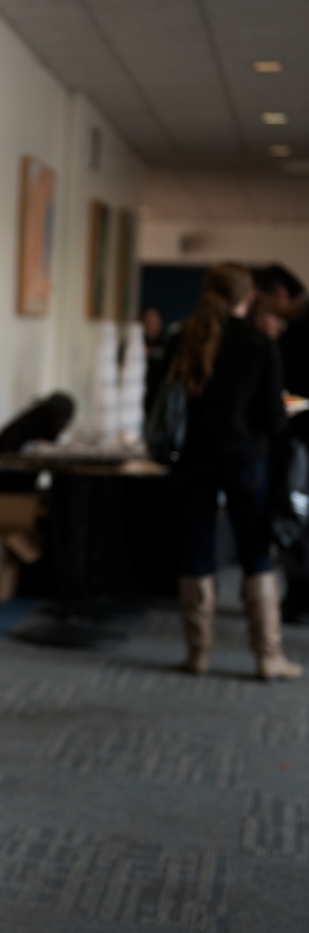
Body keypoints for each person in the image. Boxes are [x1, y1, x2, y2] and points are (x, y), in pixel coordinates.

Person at [172, 262, 301, 679]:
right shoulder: (260, 346)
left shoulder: (188, 340)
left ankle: (198, 654)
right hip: (247, 460)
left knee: (196, 550)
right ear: (249, 297)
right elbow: (274, 421)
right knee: (255, 550)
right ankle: (267, 657)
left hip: (195, 459)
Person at [256, 264, 309, 621]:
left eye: (264, 301)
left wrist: (286, 406)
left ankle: (302, 598)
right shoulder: (298, 326)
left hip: (304, 438)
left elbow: (303, 393)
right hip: (298, 436)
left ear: (280, 292)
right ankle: (298, 596)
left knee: (299, 515)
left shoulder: (305, 329)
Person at [0, 392, 75, 492]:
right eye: (64, 423)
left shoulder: (32, 422)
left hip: (2, 481)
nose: (63, 428)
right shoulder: (33, 428)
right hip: (0, 485)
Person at [141, 306, 166, 417]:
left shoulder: (165, 348)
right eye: (148, 322)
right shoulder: (135, 347)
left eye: (155, 322)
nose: (152, 326)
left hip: (158, 401)